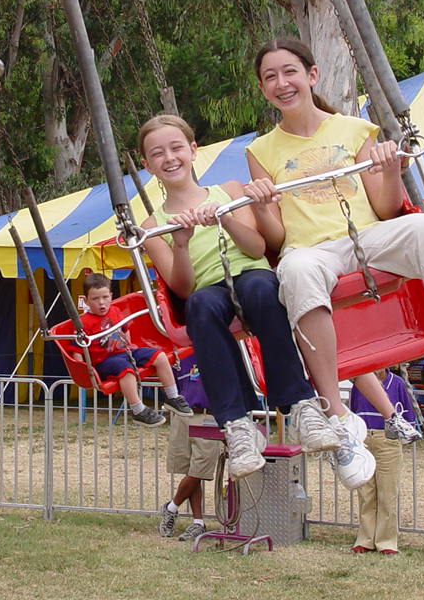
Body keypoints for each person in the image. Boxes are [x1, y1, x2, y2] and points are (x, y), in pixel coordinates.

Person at [242, 37, 424, 486]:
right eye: (270, 77)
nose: (281, 83)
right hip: (312, 249)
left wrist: (386, 170)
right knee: (298, 270)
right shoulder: (261, 151)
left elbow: (385, 210)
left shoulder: (354, 131)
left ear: (311, 75)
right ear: (263, 89)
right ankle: (336, 414)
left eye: (289, 72)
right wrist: (264, 205)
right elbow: (279, 237)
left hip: (366, 236)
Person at [139, 114, 399, 490]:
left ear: (193, 151)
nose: (169, 158)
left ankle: (300, 404)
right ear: (148, 165)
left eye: (177, 147)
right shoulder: (152, 227)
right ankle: (238, 423)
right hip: (207, 289)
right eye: (157, 153)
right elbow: (181, 287)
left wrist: (225, 220)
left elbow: (258, 247)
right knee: (198, 307)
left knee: (262, 289)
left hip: (251, 274)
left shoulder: (229, 191)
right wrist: (181, 242)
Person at [79, 274, 192, 427]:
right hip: (104, 360)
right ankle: (138, 410)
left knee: (160, 356)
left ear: (111, 296)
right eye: (95, 299)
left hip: (124, 352)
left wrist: (129, 346)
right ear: (86, 301)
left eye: (105, 297)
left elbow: (125, 329)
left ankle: (173, 397)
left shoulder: (115, 311)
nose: (101, 303)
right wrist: (83, 369)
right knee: (126, 369)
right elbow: (77, 349)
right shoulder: (83, 322)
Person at [349, 368, 418, 556]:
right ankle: (365, 538)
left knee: (388, 491)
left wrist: (407, 433)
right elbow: (353, 410)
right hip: (364, 437)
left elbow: (407, 411)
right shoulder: (359, 383)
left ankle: (386, 540)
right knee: (365, 492)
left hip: (388, 438)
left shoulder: (397, 383)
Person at [158, 352, 218, 541]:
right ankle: (198, 522)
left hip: (209, 416)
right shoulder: (177, 354)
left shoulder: (217, 349)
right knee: (190, 469)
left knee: (199, 469)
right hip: (183, 415)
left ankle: (171, 507)